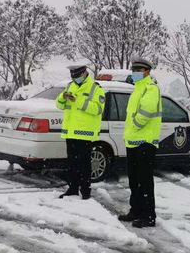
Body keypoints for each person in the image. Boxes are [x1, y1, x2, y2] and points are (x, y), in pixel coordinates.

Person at [117, 56, 162, 228]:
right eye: (133, 70)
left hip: (145, 141)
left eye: (138, 70)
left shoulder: (151, 88)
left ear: (147, 71)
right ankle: (135, 210)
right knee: (134, 180)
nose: (135, 73)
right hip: (133, 141)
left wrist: (135, 126)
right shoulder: (137, 89)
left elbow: (146, 112)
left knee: (144, 181)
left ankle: (148, 216)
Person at [55, 62, 106, 200]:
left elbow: (98, 109)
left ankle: (85, 191)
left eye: (77, 75)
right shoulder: (70, 86)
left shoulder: (95, 88)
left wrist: (78, 101)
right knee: (72, 164)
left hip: (85, 133)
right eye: (72, 75)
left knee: (84, 164)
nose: (74, 78)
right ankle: (72, 189)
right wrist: (62, 97)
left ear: (84, 73)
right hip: (70, 132)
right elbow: (59, 105)